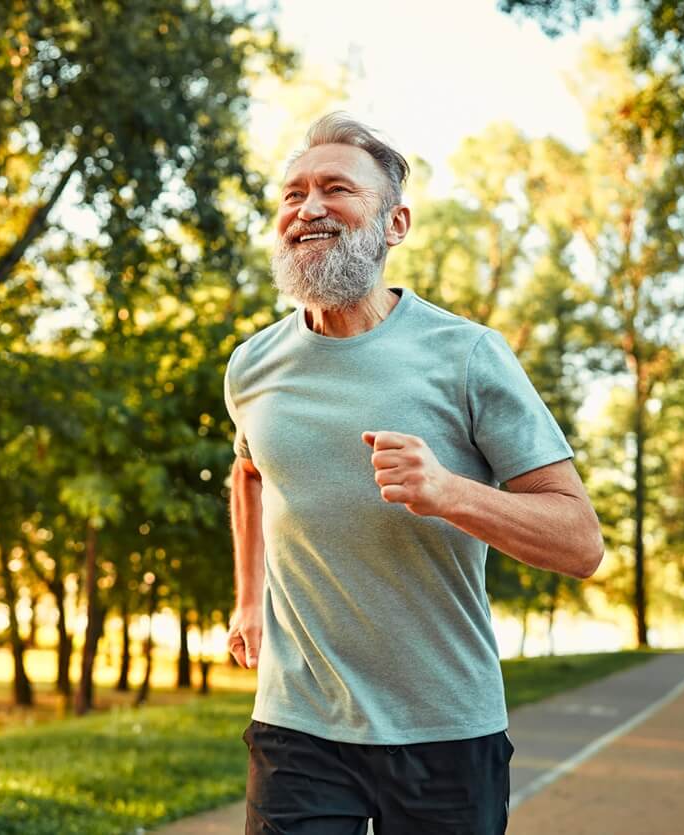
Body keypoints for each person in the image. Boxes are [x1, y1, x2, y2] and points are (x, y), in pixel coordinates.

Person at [223, 113, 604, 835]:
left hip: (445, 724)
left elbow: (580, 542)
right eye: (292, 193)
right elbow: (250, 471)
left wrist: (448, 492)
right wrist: (248, 598)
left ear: (395, 224)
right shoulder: (251, 366)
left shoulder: (468, 356)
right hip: (298, 721)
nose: (308, 208)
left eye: (336, 189)